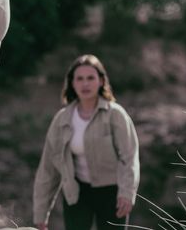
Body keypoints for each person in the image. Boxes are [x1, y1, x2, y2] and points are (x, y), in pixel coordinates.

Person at [32, 54, 139, 230]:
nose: (85, 84)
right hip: (76, 194)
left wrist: (127, 193)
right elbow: (47, 170)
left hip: (112, 194)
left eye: (91, 78)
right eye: (80, 79)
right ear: (72, 83)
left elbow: (129, 157)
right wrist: (40, 214)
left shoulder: (115, 115)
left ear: (102, 81)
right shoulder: (61, 120)